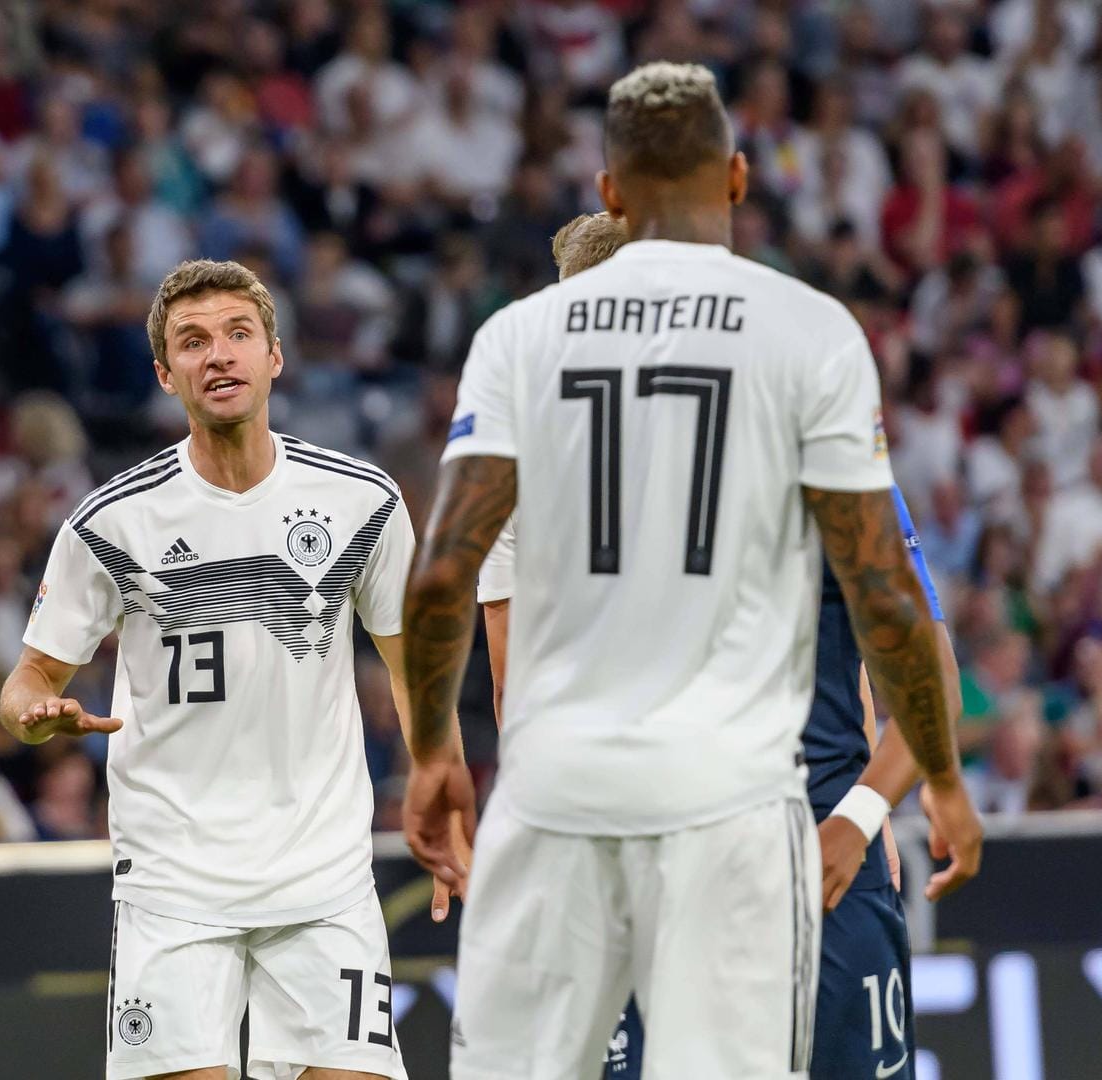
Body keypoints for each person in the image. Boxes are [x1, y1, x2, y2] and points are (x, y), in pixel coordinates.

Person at [400, 63, 982, 1079]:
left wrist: (431, 755)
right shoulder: (806, 339)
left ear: (610, 189)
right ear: (740, 177)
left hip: (571, 812)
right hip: (746, 813)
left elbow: (442, 582)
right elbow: (895, 606)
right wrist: (933, 776)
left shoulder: (517, 345)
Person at [0, 259, 438, 1080]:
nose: (219, 356)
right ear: (166, 374)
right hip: (174, 880)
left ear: (276, 355)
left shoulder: (362, 501)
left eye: (239, 334)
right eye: (193, 342)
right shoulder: (111, 521)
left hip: (324, 873)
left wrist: (434, 775)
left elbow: (413, 660)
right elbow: (27, 680)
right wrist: (32, 710)